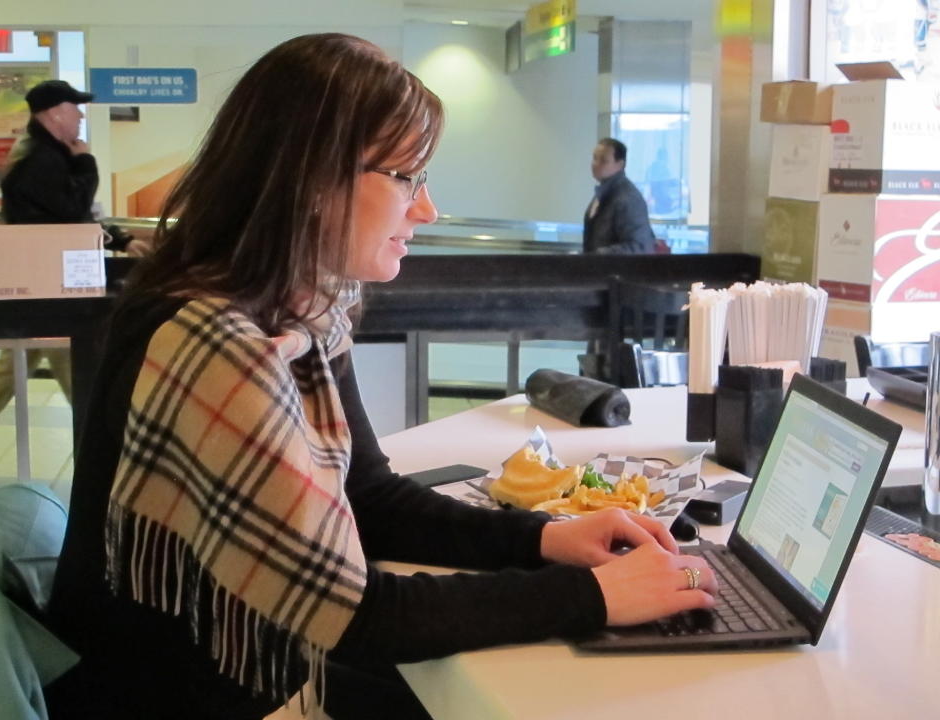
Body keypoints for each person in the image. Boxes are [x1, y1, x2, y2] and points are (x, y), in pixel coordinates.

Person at [44, 34, 717, 720]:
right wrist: (595, 597)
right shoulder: (220, 344)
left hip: (235, 669)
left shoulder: (297, 310)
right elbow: (353, 616)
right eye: (407, 177)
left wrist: (543, 538)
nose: (426, 209)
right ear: (311, 179)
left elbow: (369, 496)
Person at [0, 80, 143, 437]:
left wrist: (122, 238)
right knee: (76, 368)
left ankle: (106, 443)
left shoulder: (46, 154)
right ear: (54, 113)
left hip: (44, 283)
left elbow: (74, 215)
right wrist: (86, 162)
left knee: (20, 367)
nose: (80, 114)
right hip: (49, 287)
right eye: (74, 107)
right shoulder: (42, 160)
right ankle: (109, 446)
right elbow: (73, 212)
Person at [583, 137, 655, 255]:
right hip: (600, 270)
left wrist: (598, 255)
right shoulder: (604, 192)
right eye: (594, 158)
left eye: (603, 160)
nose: (595, 164)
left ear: (620, 164)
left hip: (616, 271)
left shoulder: (628, 198)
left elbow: (640, 247)